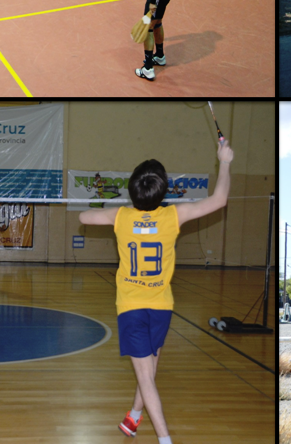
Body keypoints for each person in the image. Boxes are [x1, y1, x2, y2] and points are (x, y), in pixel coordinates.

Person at [79, 138, 234, 443]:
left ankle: (165, 438)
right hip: (161, 307)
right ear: (163, 192)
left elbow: (84, 217)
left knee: (146, 376)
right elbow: (219, 200)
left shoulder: (120, 217)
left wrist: (116, 212)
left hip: (131, 308)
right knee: (147, 371)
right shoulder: (173, 216)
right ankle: (134, 418)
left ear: (132, 190)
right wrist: (225, 161)